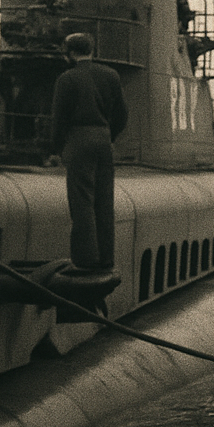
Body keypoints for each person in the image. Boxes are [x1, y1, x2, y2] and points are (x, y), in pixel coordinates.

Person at [50, 32, 128, 272]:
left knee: (82, 201)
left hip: (79, 139)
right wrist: (109, 135)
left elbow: (59, 119)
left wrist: (56, 149)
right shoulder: (111, 75)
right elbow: (122, 114)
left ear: (71, 53)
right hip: (104, 140)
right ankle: (106, 258)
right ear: (92, 50)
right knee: (104, 201)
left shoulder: (67, 78)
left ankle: (85, 259)